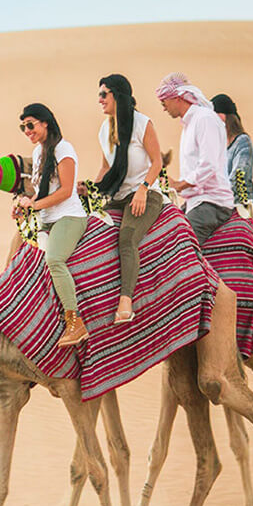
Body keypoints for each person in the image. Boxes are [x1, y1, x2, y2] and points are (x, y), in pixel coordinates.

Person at [86, 73, 164, 323]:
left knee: (127, 237)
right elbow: (105, 168)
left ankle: (126, 301)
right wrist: (91, 189)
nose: (99, 100)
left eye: (103, 94)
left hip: (145, 194)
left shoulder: (142, 123)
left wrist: (143, 189)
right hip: (117, 195)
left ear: (117, 95)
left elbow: (157, 162)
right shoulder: (104, 130)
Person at [15, 103, 90, 348]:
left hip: (68, 217)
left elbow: (66, 191)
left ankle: (75, 323)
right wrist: (26, 205)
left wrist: (35, 205)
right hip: (46, 219)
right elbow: (42, 191)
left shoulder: (63, 149)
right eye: (23, 127)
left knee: (54, 260)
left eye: (30, 125)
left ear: (45, 122)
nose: (27, 131)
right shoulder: (38, 152)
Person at [155, 73, 235, 246]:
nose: (164, 108)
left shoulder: (204, 119)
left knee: (181, 247)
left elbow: (209, 165)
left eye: (164, 102)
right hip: (196, 202)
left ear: (177, 98)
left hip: (212, 203)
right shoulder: (189, 124)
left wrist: (180, 185)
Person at [211, 93, 253, 204]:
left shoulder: (242, 142)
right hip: (219, 204)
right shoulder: (217, 145)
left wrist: (214, 197)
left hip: (239, 206)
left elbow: (237, 177)